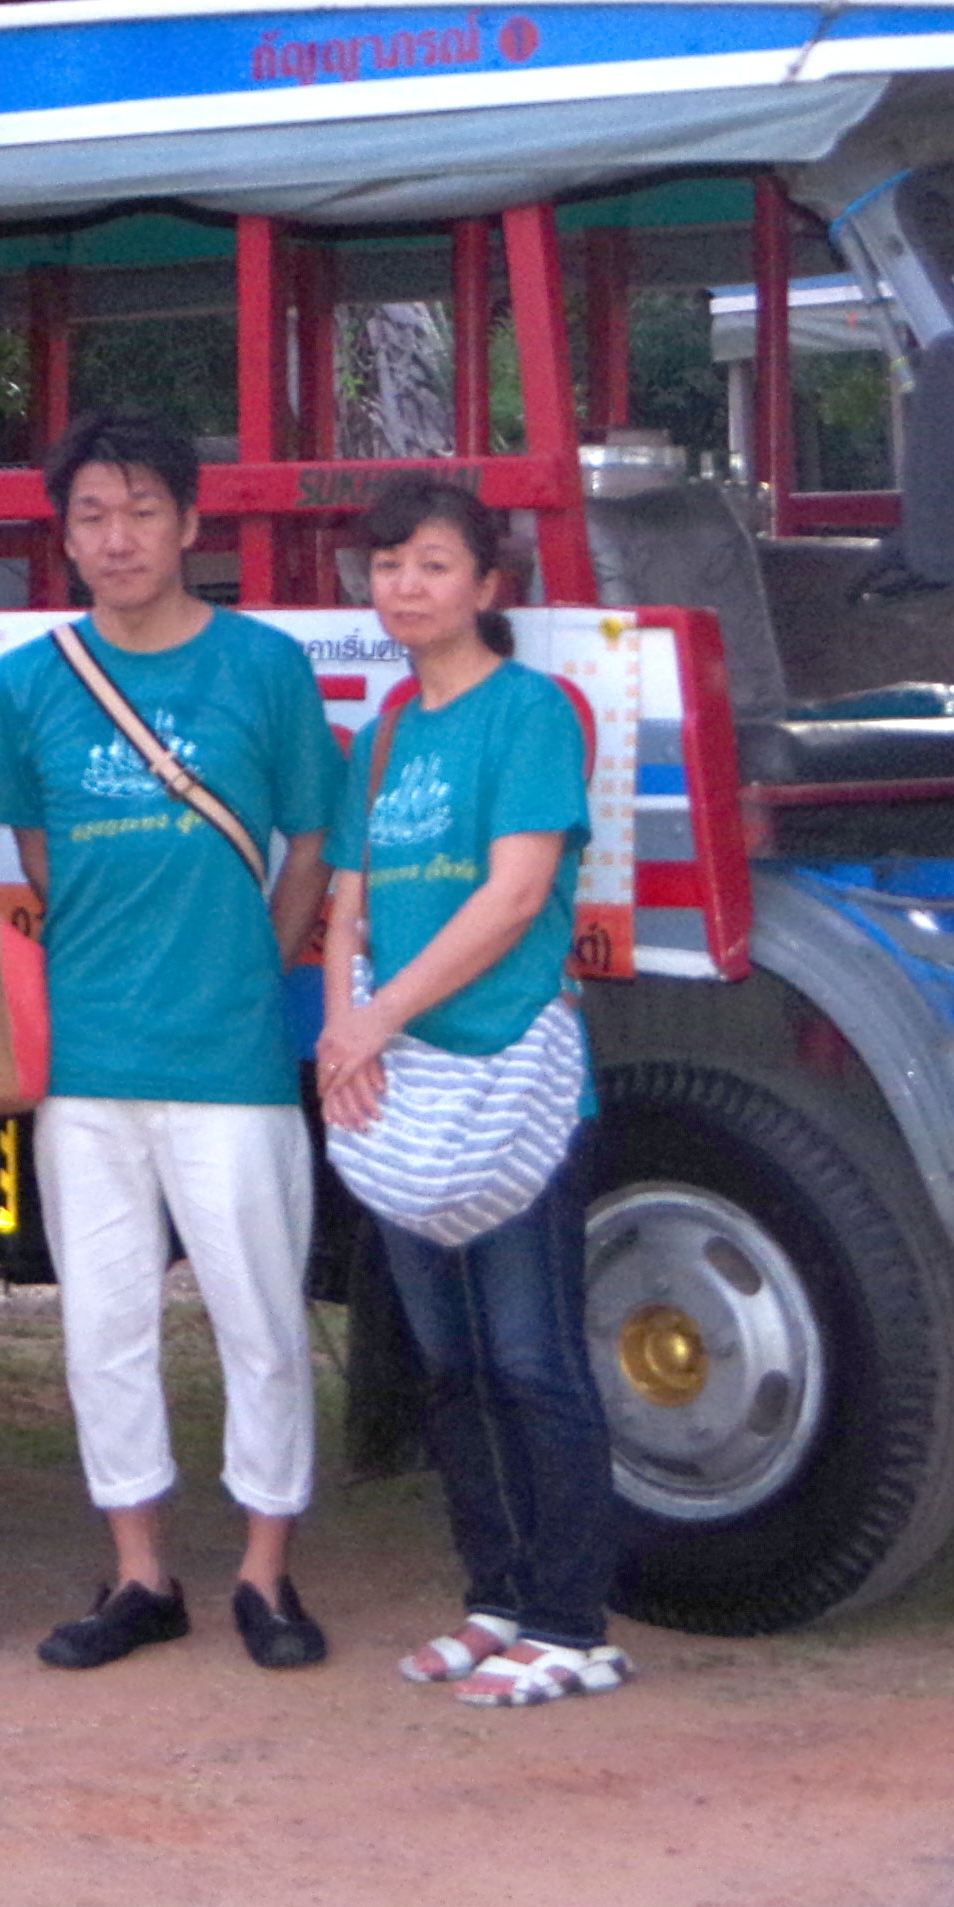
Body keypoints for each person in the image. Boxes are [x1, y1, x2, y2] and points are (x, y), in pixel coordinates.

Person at [0, 405, 345, 1672]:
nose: (116, 537)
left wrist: (249, 966)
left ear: (189, 524)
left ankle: (265, 1575)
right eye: (91, 515)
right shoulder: (29, 682)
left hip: (231, 1061)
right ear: (63, 538)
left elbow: (309, 843)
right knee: (103, 1330)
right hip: (83, 1065)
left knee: (260, 1323)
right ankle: (138, 1575)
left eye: (140, 512)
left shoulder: (263, 667)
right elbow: (35, 854)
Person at [319, 479, 629, 1707]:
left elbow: (513, 897)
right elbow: (347, 898)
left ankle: (570, 1624)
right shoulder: (384, 733)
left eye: (432, 564)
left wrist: (378, 1017)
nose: (404, 585)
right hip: (402, 1092)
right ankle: (494, 1599)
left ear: (486, 586)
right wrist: (342, 1031)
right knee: (447, 1364)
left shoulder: (529, 713)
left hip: (510, 1086)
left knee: (531, 1359)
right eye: (387, 564)